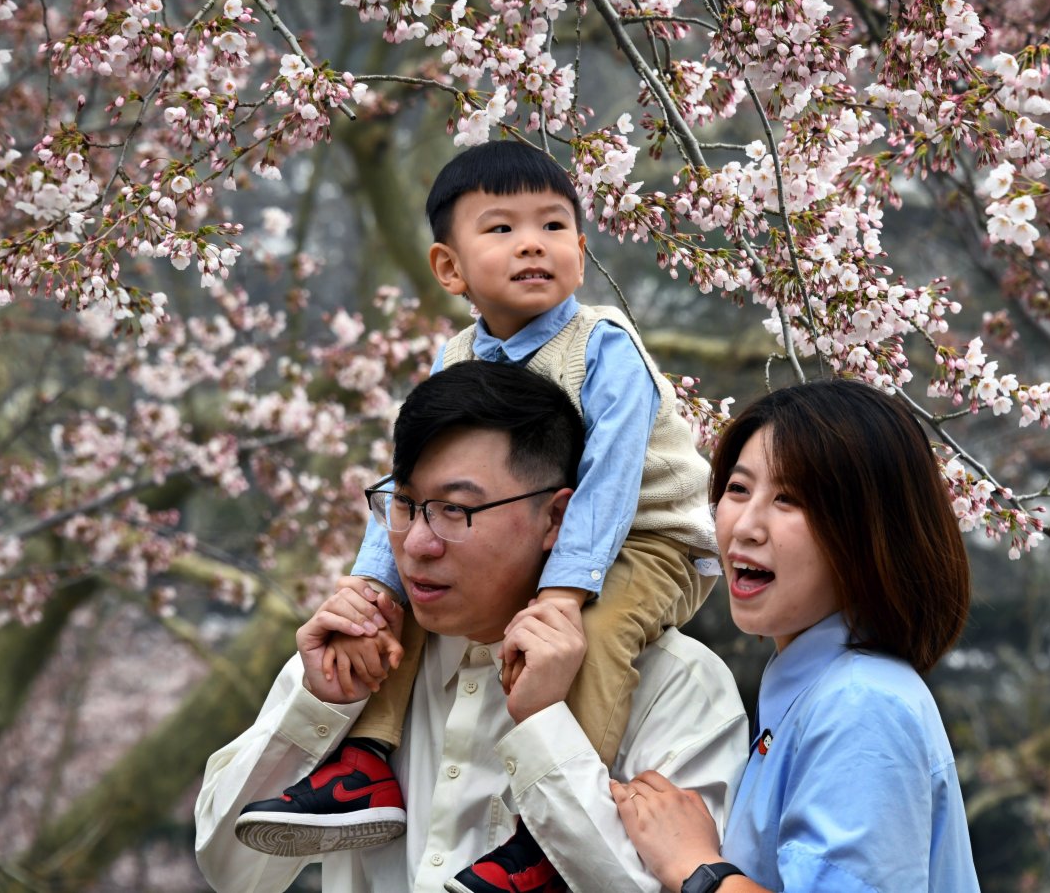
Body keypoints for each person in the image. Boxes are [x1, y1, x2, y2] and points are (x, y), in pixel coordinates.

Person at [233, 140, 721, 891]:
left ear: (582, 253)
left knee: (589, 635)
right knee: (396, 612)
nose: (532, 242)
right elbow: (408, 481)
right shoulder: (456, 360)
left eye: (554, 227)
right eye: (501, 228)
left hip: (648, 539)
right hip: (563, 536)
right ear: (449, 269)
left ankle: (540, 836)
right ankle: (365, 763)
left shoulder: (603, 350)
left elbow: (610, 486)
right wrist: (373, 589)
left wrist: (562, 594)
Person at [195, 362, 748, 893]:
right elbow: (231, 871)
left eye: (456, 511)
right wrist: (319, 705)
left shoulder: (678, 687)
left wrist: (545, 728)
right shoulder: (361, 650)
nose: (416, 544)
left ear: (558, 517)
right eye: (406, 504)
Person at [609, 379, 981, 893]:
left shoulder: (861, 704)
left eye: (789, 499)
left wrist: (695, 866)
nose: (744, 527)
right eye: (737, 490)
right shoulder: (816, 694)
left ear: (869, 529)